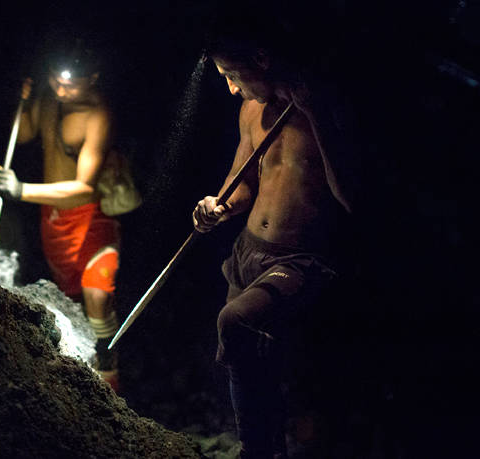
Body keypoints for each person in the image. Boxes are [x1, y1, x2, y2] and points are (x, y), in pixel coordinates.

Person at [192, 30, 357, 458]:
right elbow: (242, 179)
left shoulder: (325, 108)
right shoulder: (251, 109)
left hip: (299, 259)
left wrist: (317, 113)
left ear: (262, 59)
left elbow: (353, 198)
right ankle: (259, 450)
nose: (230, 87)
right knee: (248, 366)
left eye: (232, 74)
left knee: (235, 323)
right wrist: (219, 205)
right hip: (248, 251)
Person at [0, 43, 122, 392]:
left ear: (93, 78)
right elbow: (25, 133)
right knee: (71, 302)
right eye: (55, 80)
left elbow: (83, 187)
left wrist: (21, 191)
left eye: (71, 84)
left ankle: (110, 376)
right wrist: (22, 101)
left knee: (97, 293)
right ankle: (84, 383)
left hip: (92, 217)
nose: (61, 89)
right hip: (53, 220)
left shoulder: (97, 113)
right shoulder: (50, 96)